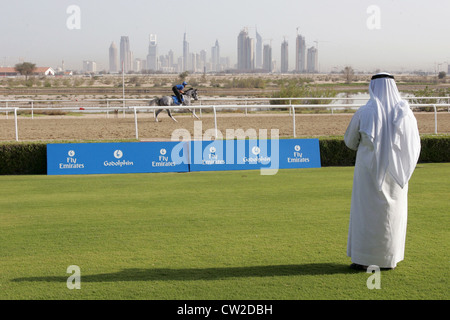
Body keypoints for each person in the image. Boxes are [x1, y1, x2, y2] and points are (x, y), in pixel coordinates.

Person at [344, 72, 421, 270]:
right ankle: (388, 259)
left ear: (372, 87)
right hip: (397, 177)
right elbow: (414, 145)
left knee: (366, 215)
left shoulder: (364, 112)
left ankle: (363, 259)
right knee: (392, 216)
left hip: (367, 176)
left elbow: (350, 142)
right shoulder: (405, 112)